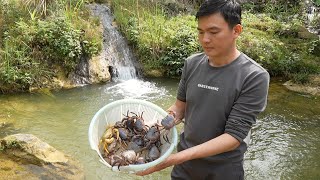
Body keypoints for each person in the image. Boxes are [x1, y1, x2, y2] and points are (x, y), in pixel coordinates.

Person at [137, 0, 270, 179]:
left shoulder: (254, 76)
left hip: (223, 171)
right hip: (184, 169)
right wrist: (155, 127)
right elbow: (179, 109)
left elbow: (233, 137)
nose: (205, 39)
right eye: (201, 32)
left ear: (236, 31)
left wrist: (174, 158)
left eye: (214, 32)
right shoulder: (192, 64)